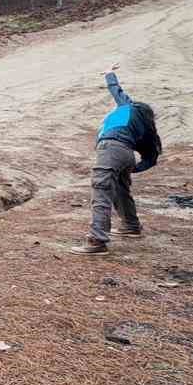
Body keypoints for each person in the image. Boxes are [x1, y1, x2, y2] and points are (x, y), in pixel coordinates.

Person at [75, 65, 162, 255]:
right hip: (127, 154)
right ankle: (131, 226)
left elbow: (116, 91)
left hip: (110, 149)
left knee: (101, 191)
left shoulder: (127, 108)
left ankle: (97, 240)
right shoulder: (146, 129)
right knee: (121, 191)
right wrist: (134, 168)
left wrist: (109, 74)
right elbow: (151, 159)